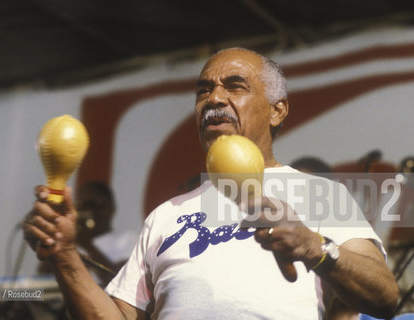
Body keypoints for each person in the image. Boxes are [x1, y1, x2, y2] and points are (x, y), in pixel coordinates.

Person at [23, 48, 398, 319]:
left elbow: (384, 297)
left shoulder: (320, 195)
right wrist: (65, 255)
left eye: (235, 86)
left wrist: (314, 246)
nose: (214, 98)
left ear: (277, 109)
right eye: (203, 90)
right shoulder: (165, 216)